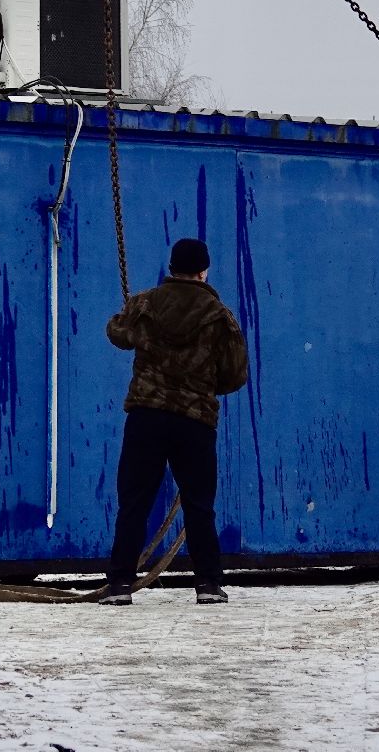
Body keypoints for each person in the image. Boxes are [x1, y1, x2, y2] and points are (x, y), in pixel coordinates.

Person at [101, 238, 250, 606]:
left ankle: (120, 584)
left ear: (171, 268)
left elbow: (117, 333)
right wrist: (202, 382)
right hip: (194, 422)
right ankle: (209, 585)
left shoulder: (146, 303)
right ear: (204, 271)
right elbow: (235, 375)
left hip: (147, 416)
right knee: (199, 504)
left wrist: (134, 316)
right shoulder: (219, 316)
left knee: (134, 501)